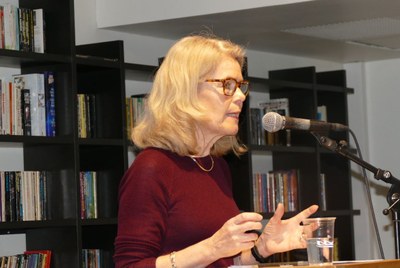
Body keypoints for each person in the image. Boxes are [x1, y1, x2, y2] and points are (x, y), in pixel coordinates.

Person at [114, 34, 318, 268]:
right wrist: (211, 247)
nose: (241, 96)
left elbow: (220, 263)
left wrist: (262, 248)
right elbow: (129, 265)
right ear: (187, 92)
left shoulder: (215, 165)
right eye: (227, 85)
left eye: (241, 86)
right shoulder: (152, 168)